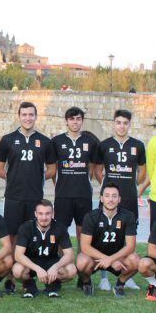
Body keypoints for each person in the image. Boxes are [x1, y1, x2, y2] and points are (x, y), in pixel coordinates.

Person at [0, 101, 57, 294]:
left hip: (35, 198)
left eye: (31, 114)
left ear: (36, 117)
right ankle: (13, 276)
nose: (28, 118)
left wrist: (37, 178)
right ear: (19, 116)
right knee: (13, 238)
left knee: (33, 237)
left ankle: (29, 278)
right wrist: (14, 178)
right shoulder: (8, 139)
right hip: (13, 197)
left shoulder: (45, 141)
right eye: (24, 114)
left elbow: (52, 169)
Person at [94, 109, 146, 290]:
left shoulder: (137, 145)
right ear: (113, 124)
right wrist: (108, 188)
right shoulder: (104, 145)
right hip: (109, 200)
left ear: (129, 124)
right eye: (118, 122)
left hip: (129, 198)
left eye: (125, 123)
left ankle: (126, 275)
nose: (121, 126)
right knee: (103, 236)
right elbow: (97, 170)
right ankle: (103, 277)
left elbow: (143, 171)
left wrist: (131, 185)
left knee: (126, 237)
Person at [76, 183, 141, 297]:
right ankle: (87, 283)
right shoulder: (91, 216)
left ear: (119, 199)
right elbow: (85, 246)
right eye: (107, 196)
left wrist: (112, 259)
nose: (110, 199)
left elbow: (130, 246)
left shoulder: (128, 216)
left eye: (114, 196)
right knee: (81, 261)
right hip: (95, 258)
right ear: (101, 198)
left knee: (135, 260)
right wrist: (107, 259)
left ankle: (120, 284)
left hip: (118, 257)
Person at [51, 107, 99, 249]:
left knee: (82, 232)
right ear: (66, 121)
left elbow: (91, 166)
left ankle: (81, 264)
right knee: (60, 231)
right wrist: (60, 184)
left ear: (82, 121)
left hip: (83, 194)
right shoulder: (57, 141)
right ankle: (60, 265)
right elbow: (54, 169)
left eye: (78, 119)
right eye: (72, 119)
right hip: (63, 195)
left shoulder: (90, 141)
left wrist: (85, 181)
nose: (75, 122)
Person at [12, 199, 77, 298]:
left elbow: (70, 254)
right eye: (40, 213)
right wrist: (37, 269)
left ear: (53, 214)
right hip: (31, 262)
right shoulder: (26, 228)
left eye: (47, 214)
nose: (44, 217)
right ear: (35, 214)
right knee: (17, 269)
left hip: (52, 261)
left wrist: (55, 267)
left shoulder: (60, 228)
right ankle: (30, 284)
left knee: (71, 270)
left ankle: (53, 283)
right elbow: (18, 255)